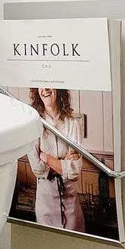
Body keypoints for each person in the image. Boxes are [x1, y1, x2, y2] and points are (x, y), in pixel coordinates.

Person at [27, 88, 85, 231]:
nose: (45, 89)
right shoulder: (33, 124)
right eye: (40, 85)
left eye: (49, 83)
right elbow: (38, 169)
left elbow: (74, 170)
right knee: (47, 243)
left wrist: (46, 157)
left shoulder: (73, 122)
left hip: (70, 201)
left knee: (73, 242)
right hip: (45, 203)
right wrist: (63, 162)